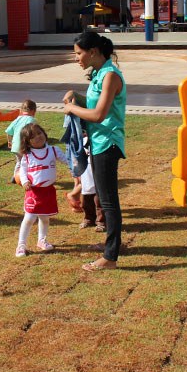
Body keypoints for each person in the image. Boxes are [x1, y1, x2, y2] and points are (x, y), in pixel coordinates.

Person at [62, 31, 126, 272]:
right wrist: (75, 96)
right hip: (98, 143)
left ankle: (110, 256)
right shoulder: (99, 73)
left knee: (109, 202)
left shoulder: (110, 76)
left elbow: (99, 114)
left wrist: (71, 109)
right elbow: (94, 105)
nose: (77, 58)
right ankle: (111, 248)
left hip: (108, 143)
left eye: (78, 53)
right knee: (105, 197)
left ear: (93, 52)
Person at [15, 123, 68, 257]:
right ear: (27, 142)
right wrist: (25, 181)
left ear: (44, 134)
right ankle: (21, 245)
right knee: (29, 218)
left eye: (39, 133)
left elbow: (67, 160)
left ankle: (42, 240)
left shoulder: (53, 150)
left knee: (45, 218)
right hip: (33, 192)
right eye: (33, 137)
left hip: (48, 192)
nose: (38, 137)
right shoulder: (27, 156)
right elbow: (23, 171)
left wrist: (77, 162)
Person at [5, 99, 37, 184]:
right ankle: (26, 177)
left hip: (15, 146)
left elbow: (8, 131)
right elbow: (33, 133)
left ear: (22, 110)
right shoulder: (31, 120)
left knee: (19, 161)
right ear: (33, 111)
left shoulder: (18, 119)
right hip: (24, 146)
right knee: (28, 162)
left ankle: (15, 176)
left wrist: (9, 141)